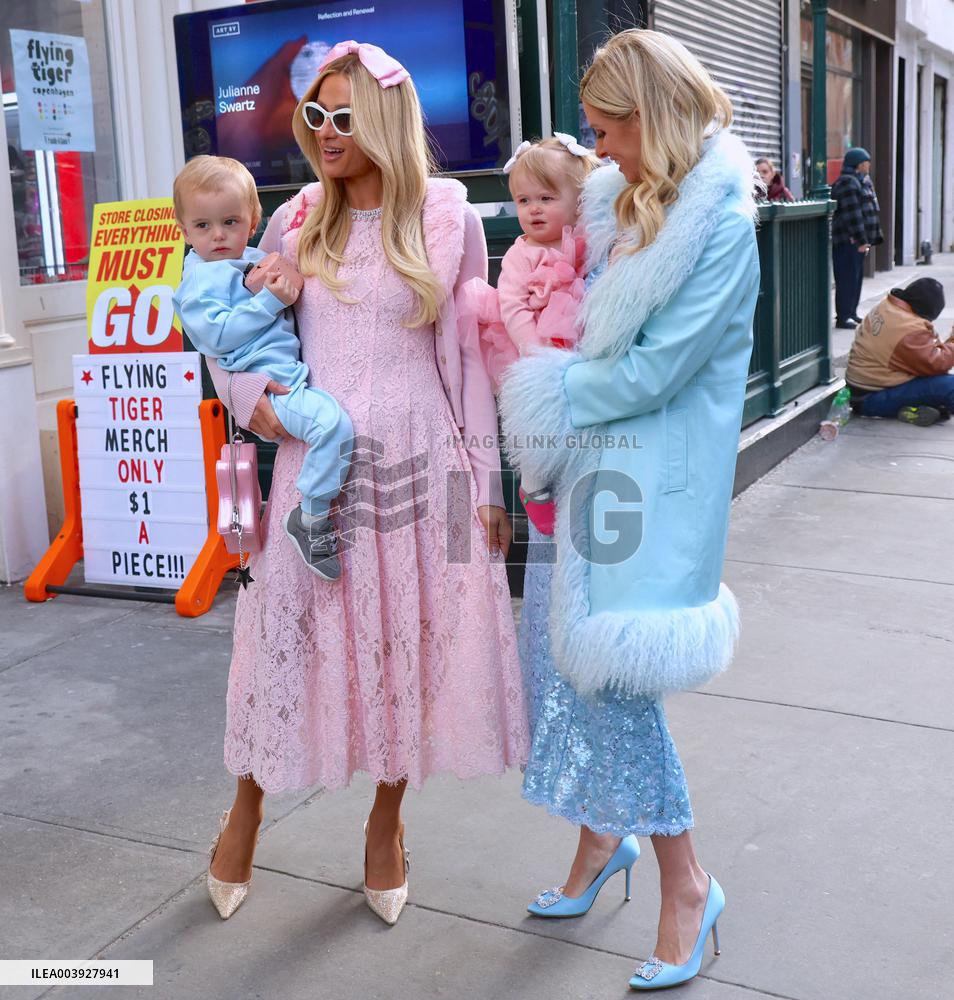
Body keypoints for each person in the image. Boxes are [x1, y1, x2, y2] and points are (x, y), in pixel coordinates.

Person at [201, 40, 528, 926]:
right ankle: (247, 808)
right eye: (314, 115)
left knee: (407, 648)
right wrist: (257, 404)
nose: (325, 131)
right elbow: (236, 341)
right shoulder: (296, 219)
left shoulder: (450, 218)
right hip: (319, 468)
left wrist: (488, 488)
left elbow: (466, 365)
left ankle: (386, 825)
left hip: (428, 468)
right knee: (285, 636)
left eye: (344, 115)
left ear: (384, 117)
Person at [500, 29, 760, 991]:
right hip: (595, 471)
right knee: (562, 669)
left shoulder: (719, 225)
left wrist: (544, 391)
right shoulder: (622, 202)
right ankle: (599, 844)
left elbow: (657, 369)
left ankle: (688, 884)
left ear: (653, 119)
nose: (596, 150)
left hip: (653, 483)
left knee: (614, 683)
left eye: (609, 130)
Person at [172, 155, 352, 579]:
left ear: (252, 220)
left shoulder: (254, 257)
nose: (218, 235)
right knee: (334, 428)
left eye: (230, 222)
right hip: (275, 387)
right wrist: (270, 301)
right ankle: (311, 516)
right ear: (184, 231)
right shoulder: (199, 281)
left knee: (334, 427)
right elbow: (215, 338)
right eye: (203, 226)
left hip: (291, 376)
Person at [457, 134, 601, 534]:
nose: (533, 210)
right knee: (532, 425)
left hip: (579, 350)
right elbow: (512, 304)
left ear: (579, 200)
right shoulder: (522, 253)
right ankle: (534, 486)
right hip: (530, 352)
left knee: (573, 427)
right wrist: (533, 352)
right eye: (524, 201)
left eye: (546, 198)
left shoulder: (589, 242)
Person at [846, 276, 954, 426]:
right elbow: (937, 363)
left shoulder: (888, 306)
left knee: (938, 383)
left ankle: (915, 409)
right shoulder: (909, 329)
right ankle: (922, 406)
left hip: (861, 391)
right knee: (949, 386)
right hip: (871, 398)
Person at [831, 147, 882, 329]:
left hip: (857, 241)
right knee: (846, 279)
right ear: (860, 164)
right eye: (866, 162)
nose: (869, 165)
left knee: (856, 278)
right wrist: (861, 240)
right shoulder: (848, 183)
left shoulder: (862, 182)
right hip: (848, 241)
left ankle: (851, 312)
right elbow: (853, 216)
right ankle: (843, 316)